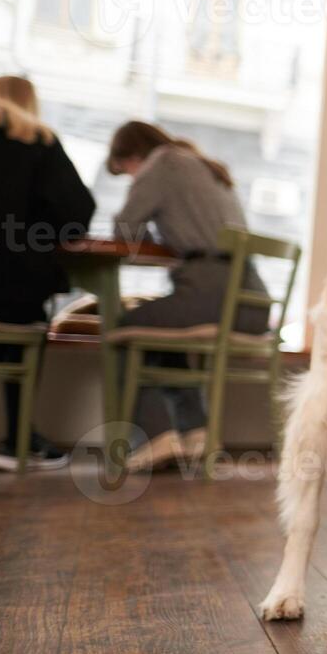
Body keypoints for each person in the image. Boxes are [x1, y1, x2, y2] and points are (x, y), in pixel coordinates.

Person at [106, 121, 269, 472]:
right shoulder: (200, 164)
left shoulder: (162, 163)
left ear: (134, 155)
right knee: (163, 337)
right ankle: (197, 434)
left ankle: (155, 436)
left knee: (124, 327)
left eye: (127, 172)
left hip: (213, 290)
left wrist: (152, 227)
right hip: (254, 300)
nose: (133, 180)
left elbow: (123, 229)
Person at [0, 76, 96, 471]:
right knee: (25, 324)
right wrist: (38, 235)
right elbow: (78, 212)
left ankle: (22, 438)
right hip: (12, 285)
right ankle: (19, 442)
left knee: (4, 336)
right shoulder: (39, 142)